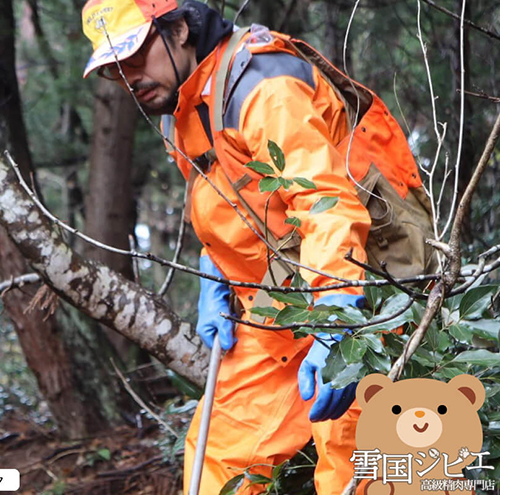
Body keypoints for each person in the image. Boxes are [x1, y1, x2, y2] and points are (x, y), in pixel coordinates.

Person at [81, 0, 430, 493]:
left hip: (362, 292)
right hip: (276, 305)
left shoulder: (262, 87)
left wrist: (338, 325)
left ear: (179, 30)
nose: (128, 76)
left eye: (135, 56)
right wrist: (216, 269)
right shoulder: (181, 107)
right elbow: (233, 200)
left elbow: (325, 202)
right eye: (114, 69)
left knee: (360, 465)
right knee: (217, 459)